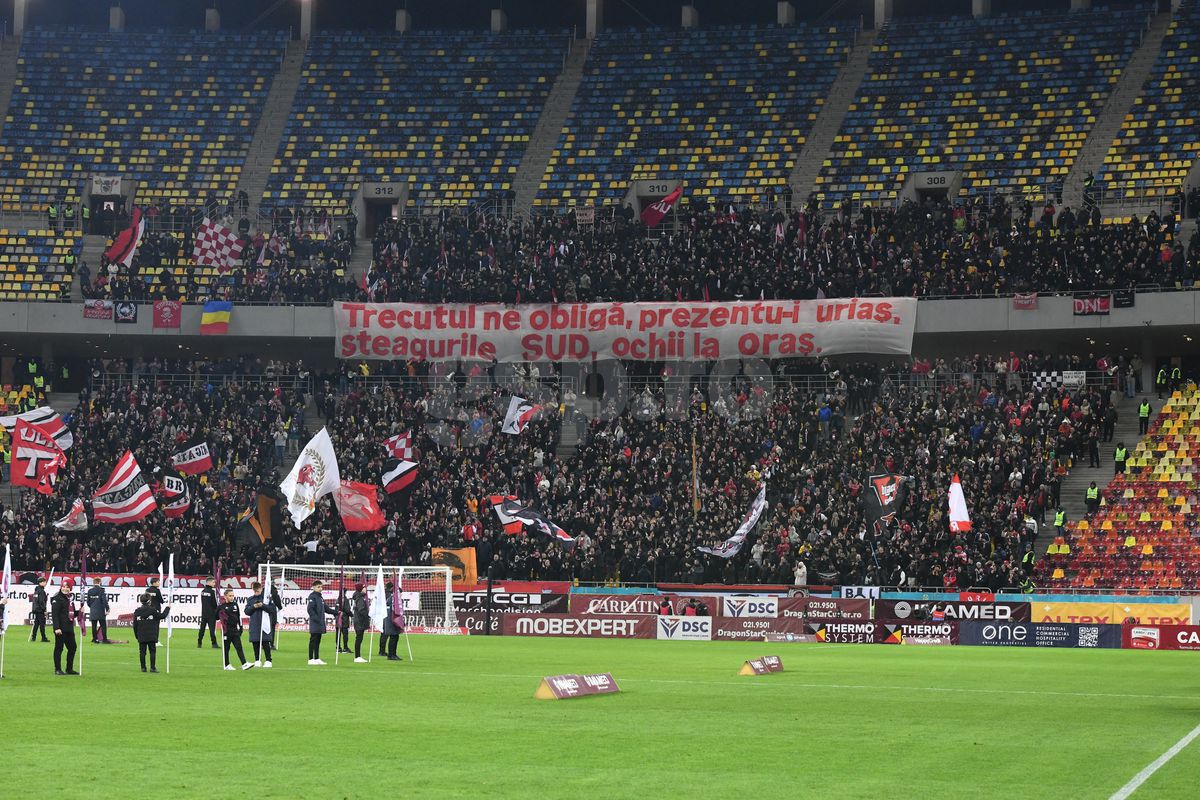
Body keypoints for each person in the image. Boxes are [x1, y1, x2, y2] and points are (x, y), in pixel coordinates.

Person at [132, 593, 170, 673]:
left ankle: (143, 668)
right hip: (152, 634)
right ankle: (152, 668)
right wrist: (168, 608)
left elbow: (135, 624)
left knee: (142, 652)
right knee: (152, 651)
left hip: (141, 634)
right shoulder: (153, 610)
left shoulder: (137, 611)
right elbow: (162, 616)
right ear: (149, 601)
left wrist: (136, 635)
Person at [218, 588, 254, 671]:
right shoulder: (221, 607)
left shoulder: (235, 604)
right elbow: (216, 616)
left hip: (235, 630)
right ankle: (226, 664)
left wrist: (240, 627)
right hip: (226, 631)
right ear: (225, 596)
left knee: (239, 647)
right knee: (226, 648)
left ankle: (244, 664)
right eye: (230, 596)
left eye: (233, 596)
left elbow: (238, 616)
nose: (232, 597)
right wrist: (220, 615)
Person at [51, 578, 78, 675]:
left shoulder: (69, 598)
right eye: (64, 586)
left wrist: (79, 612)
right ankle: (57, 669)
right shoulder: (57, 598)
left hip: (69, 628)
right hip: (60, 628)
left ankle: (69, 669)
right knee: (59, 648)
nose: (65, 588)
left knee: (73, 647)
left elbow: (72, 613)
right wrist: (56, 628)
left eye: (67, 587)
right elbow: (55, 614)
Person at [245, 581, 275, 668]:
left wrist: (262, 605)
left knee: (265, 642)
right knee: (255, 642)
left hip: (264, 623)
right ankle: (257, 659)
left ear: (261, 589)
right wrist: (254, 606)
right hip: (254, 623)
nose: (257, 593)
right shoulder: (250, 599)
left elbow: (272, 610)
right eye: (255, 591)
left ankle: (268, 660)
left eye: (258, 591)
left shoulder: (266, 598)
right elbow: (247, 612)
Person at [306, 579, 337, 665]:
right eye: (318, 587)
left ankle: (317, 658)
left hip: (320, 622)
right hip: (315, 622)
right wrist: (316, 619)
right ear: (314, 587)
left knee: (318, 640)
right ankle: (310, 659)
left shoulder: (320, 597)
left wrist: (336, 612)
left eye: (321, 586)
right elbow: (310, 609)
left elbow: (326, 609)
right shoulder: (312, 596)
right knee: (313, 639)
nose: (320, 588)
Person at [86, 577, 111, 644]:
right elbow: (104, 601)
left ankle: (94, 639)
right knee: (103, 625)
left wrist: (92, 607)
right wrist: (107, 608)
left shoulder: (90, 591)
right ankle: (104, 639)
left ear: (94, 583)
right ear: (100, 582)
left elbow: (88, 602)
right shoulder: (101, 590)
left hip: (93, 611)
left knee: (94, 626)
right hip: (100, 611)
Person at [382, 581, 401, 661]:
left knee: (395, 637)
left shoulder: (393, 600)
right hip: (391, 621)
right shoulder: (392, 600)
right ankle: (391, 655)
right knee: (393, 637)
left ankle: (393, 654)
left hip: (392, 621)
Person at [198, 576, 218, 649]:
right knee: (212, 630)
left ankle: (199, 642)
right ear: (209, 582)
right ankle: (214, 643)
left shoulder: (203, 591)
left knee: (202, 629)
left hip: (204, 613)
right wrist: (217, 611)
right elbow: (214, 604)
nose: (214, 583)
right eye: (213, 582)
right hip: (211, 614)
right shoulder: (212, 592)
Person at [351, 583, 369, 663]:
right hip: (360, 621)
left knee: (359, 638)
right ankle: (357, 656)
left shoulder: (358, 598)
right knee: (359, 639)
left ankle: (358, 656)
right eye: (364, 588)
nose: (366, 589)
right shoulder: (360, 599)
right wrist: (368, 614)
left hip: (358, 621)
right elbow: (361, 610)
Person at [29, 576, 49, 642]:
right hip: (40, 610)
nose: (45, 583)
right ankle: (43, 637)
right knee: (42, 624)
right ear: (41, 582)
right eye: (44, 582)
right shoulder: (41, 591)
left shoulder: (36, 590)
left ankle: (33, 637)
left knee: (36, 624)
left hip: (36, 609)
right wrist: (44, 609)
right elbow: (41, 601)